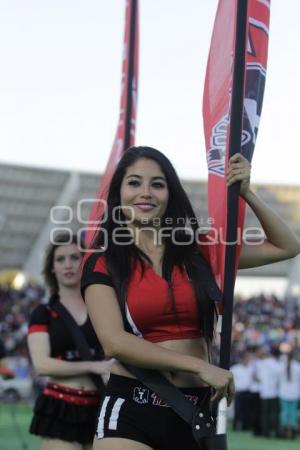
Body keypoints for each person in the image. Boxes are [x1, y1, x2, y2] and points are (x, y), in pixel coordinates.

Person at [81, 146, 300, 450]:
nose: (146, 192)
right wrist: (199, 366)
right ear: (118, 195)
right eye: (134, 183)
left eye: (157, 184)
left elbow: (287, 246)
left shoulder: (201, 250)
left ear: (170, 194)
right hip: (132, 402)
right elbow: (113, 342)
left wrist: (248, 193)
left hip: (195, 411)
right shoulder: (101, 262)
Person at [27, 233, 113, 450]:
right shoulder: (43, 313)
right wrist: (94, 365)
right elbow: (42, 365)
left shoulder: (104, 309)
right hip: (60, 407)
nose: (68, 265)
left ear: (85, 261)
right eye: (60, 259)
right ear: (52, 267)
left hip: (101, 405)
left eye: (75, 257)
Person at [278, 348, 300, 438]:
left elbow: (278, 379)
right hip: (294, 392)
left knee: (285, 412)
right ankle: (292, 430)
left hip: (284, 392)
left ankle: (285, 430)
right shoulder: (297, 366)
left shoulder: (281, 366)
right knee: (292, 412)